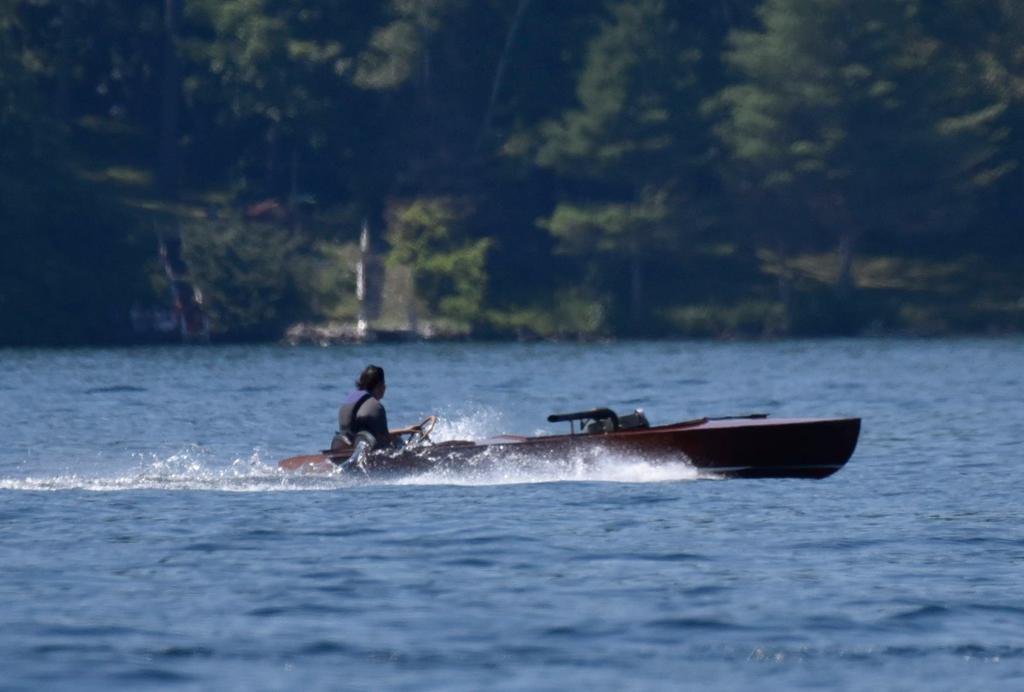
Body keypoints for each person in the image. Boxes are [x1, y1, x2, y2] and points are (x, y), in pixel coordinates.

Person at [332, 364, 395, 451]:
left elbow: (356, 433)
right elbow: (384, 439)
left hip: (342, 444)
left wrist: (404, 430)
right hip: (367, 449)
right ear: (381, 386)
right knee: (398, 442)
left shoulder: (349, 400)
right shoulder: (376, 406)